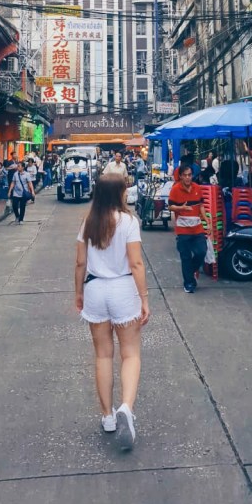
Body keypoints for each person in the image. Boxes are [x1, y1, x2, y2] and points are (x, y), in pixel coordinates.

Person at [75, 176, 150, 451]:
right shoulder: (128, 222)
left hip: (95, 288)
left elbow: (80, 262)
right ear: (118, 194)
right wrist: (144, 299)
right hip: (122, 288)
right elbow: (137, 263)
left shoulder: (87, 222)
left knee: (102, 355)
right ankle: (126, 408)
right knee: (130, 353)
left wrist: (79, 293)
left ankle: (107, 416)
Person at [168, 165, 207, 294]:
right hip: (182, 229)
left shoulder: (197, 188)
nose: (187, 177)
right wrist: (181, 209)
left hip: (197, 228)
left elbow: (201, 205)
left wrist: (207, 221)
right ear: (180, 176)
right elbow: (170, 207)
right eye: (185, 175)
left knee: (202, 251)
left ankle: (190, 272)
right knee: (185, 257)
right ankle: (189, 283)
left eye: (189, 175)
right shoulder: (175, 189)